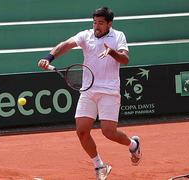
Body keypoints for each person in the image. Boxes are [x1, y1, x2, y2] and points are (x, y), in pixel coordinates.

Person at [38, 7, 141, 180]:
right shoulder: (86, 35)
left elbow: (125, 59)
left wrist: (112, 52)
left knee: (108, 132)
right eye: (94, 22)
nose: (96, 26)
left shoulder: (118, 36)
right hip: (88, 90)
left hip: (109, 90)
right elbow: (66, 45)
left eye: (101, 23)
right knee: (82, 131)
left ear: (109, 23)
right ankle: (99, 166)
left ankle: (133, 144)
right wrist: (49, 58)